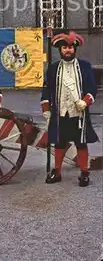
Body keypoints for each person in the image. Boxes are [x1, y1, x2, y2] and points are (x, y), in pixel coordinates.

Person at [41, 31, 98, 187]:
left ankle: (84, 172)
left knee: (81, 142)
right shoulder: (53, 68)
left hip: (78, 113)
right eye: (64, 47)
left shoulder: (85, 66)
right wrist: (46, 108)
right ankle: (57, 171)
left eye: (70, 48)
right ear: (60, 50)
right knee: (59, 142)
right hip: (60, 113)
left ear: (75, 49)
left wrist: (85, 102)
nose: (67, 50)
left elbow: (92, 89)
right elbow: (46, 89)